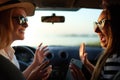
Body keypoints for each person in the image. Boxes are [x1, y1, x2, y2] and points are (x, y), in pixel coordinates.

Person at [0, 0, 52, 80]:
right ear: (4, 19)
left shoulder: (8, 51)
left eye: (26, 20)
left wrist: (35, 63)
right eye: (21, 19)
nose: (26, 25)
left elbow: (16, 77)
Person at [69, 0, 120, 80]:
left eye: (101, 23)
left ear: (116, 25)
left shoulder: (115, 58)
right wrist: (86, 63)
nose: (96, 30)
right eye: (96, 24)